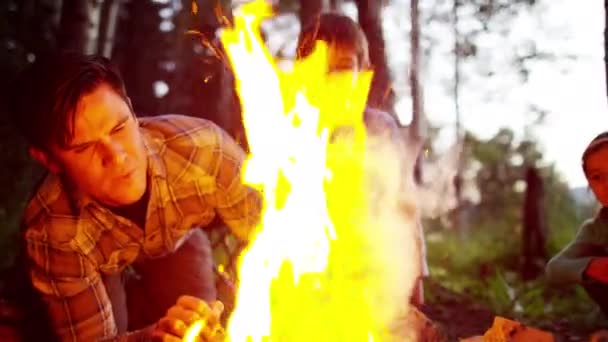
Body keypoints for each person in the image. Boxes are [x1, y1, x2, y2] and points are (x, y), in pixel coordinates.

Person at [6, 51, 262, 341]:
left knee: (200, 326)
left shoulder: (205, 152)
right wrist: (155, 336)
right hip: (94, 261)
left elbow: (285, 240)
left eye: (119, 128)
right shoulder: (54, 231)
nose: (116, 157)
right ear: (50, 161)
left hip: (176, 239)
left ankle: (141, 300)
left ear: (131, 109)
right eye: (84, 148)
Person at [296, 13, 429, 307]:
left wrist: (415, 276)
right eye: (323, 69)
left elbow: (404, 206)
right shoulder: (294, 133)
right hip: (316, 271)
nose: (334, 80)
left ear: (365, 73)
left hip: (376, 266)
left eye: (343, 68)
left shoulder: (381, 128)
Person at [546, 132, 608, 315]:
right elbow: (554, 269)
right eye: (597, 177)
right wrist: (596, 266)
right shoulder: (596, 229)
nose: (607, 184)